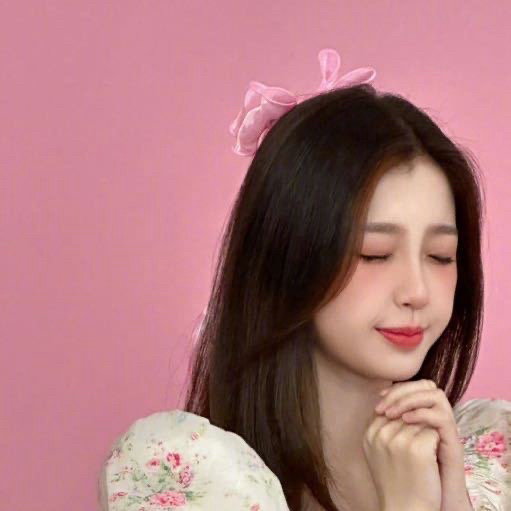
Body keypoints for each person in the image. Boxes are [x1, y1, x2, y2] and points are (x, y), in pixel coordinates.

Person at [97, 49, 511, 511]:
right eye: (374, 254)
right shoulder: (191, 478)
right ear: (288, 257)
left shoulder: (491, 466)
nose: (417, 291)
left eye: (440, 256)